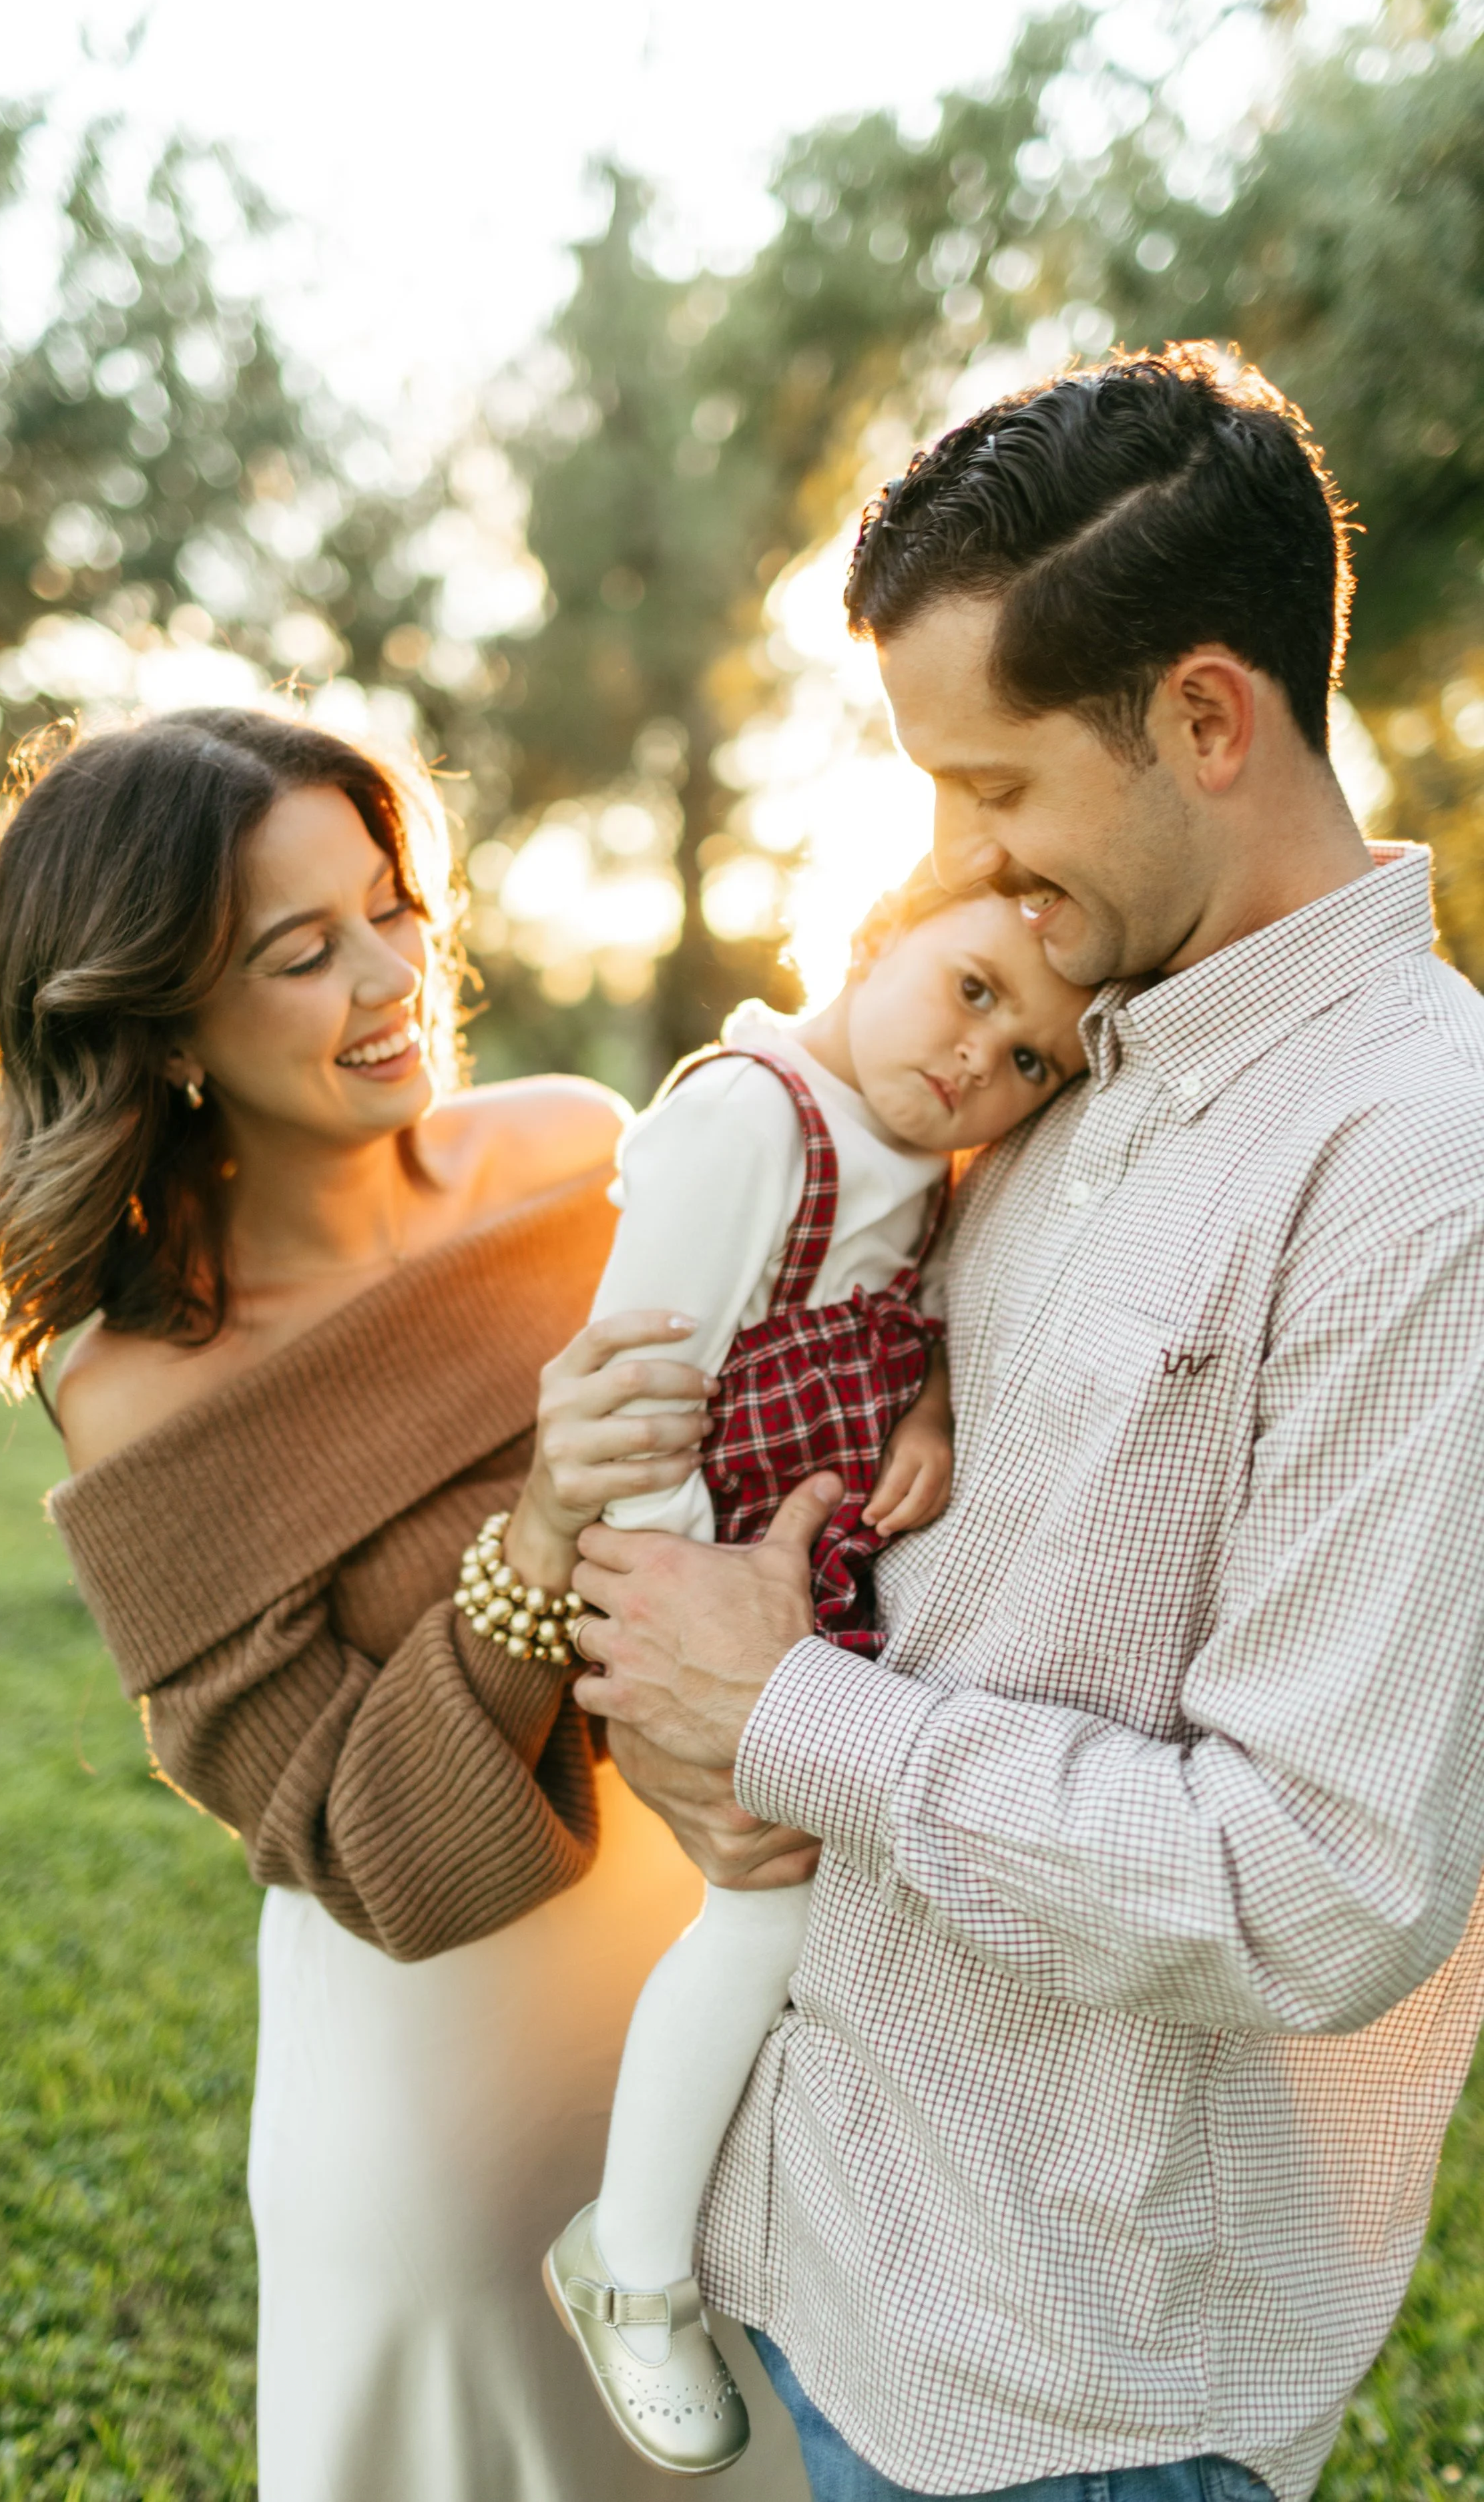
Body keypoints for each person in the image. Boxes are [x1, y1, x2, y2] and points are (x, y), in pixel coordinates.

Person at [567, 344, 1484, 2502]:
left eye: (992, 788)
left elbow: (1318, 1886)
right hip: (854, 2234)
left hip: (1075, 2397)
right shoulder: (1072, 1048)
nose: (960, 859)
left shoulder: (1420, 1167)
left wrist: (785, 1713)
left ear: (1203, 717)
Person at [0, 708, 810, 2502]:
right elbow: (351, 1829)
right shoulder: (136, 1383)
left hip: (733, 1995)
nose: (389, 972)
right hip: (442, 2096)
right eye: (300, 948)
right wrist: (547, 1520)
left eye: (393, 903)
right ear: (161, 1016)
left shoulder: (580, 1150)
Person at [539, 870, 1091, 2473]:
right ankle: (632, 2267)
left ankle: (798, 2234)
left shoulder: (912, 1166)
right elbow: (640, 1400)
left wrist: (921, 1420)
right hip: (697, 1604)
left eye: (1032, 1059)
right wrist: (679, 1643)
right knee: (764, 1908)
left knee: (837, 1924)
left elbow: (906, 1336)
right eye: (972, 988)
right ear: (876, 934)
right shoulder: (749, 1121)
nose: (978, 1060)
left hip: (812, 1607)